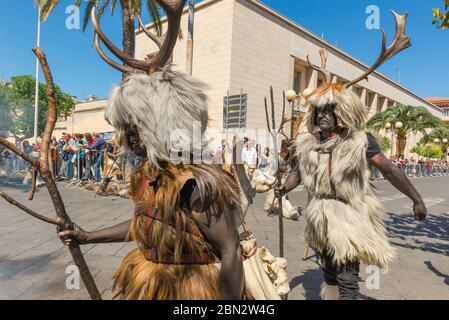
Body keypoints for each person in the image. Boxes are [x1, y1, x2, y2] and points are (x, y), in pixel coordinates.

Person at [57, 69, 244, 300]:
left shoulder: (195, 184)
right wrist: (87, 237)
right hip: (154, 287)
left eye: (138, 125)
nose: (129, 135)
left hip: (190, 291)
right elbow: (146, 222)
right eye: (126, 127)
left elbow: (230, 250)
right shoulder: (150, 175)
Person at [275, 46, 427, 299]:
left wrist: (417, 199)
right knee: (329, 273)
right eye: (319, 111)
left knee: (348, 278)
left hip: (349, 217)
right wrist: (284, 187)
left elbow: (390, 171)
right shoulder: (307, 143)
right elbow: (298, 174)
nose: (323, 115)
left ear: (342, 112)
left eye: (330, 110)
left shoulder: (362, 142)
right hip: (319, 215)